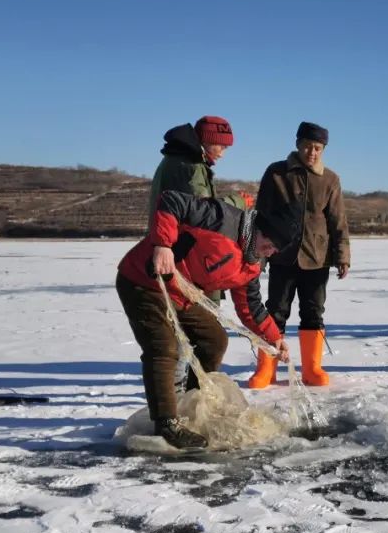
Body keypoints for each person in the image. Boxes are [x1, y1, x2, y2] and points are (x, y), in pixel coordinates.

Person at [116, 190, 299, 449]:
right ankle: (167, 423)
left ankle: (193, 404)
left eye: (274, 250)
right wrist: (163, 245)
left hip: (181, 295)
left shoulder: (252, 263)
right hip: (143, 281)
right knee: (163, 346)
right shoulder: (221, 219)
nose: (268, 252)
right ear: (258, 229)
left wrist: (275, 338)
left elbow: (250, 306)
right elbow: (171, 200)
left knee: (213, 339)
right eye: (268, 243)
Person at [249, 122, 351, 389]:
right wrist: (257, 255)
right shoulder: (276, 173)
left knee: (313, 312)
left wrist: (342, 256)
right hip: (281, 255)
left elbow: (338, 222)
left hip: (316, 258)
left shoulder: (330, 179)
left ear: (323, 150)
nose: (312, 152)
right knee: (275, 311)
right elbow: (260, 216)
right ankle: (266, 370)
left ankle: (312, 369)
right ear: (297, 144)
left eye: (317, 148)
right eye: (307, 146)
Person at [148, 115, 246, 219]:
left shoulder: (176, 157)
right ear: (206, 140)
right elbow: (205, 212)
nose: (222, 154)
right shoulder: (192, 165)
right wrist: (238, 201)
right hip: (178, 234)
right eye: (221, 146)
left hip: (164, 232)